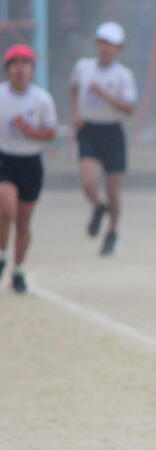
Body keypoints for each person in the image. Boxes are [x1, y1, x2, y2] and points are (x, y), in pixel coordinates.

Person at [70, 21, 136, 256]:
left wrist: (105, 96)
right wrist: (76, 113)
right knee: (88, 182)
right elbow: (74, 88)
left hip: (112, 132)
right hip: (89, 130)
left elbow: (129, 108)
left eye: (110, 44)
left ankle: (112, 232)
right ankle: (98, 207)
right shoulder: (83, 67)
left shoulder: (123, 75)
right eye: (102, 42)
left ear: (119, 48)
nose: (105, 48)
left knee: (113, 190)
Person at [0, 44, 57, 293]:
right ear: (8, 69)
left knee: (23, 223)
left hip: (30, 163)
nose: (20, 69)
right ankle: (2, 254)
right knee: (6, 210)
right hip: (5, 159)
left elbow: (50, 133)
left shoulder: (42, 99)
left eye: (25, 64)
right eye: (15, 64)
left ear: (32, 69)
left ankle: (18, 270)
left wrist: (28, 131)